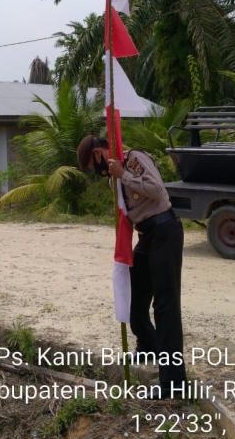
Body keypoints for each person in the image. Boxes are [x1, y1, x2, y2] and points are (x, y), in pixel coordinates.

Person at [77, 135, 187, 397]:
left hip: (164, 231)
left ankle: (173, 383)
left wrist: (123, 174)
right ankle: (148, 345)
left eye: (95, 166)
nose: (99, 171)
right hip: (147, 236)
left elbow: (157, 190)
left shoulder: (134, 159)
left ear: (98, 153)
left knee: (165, 306)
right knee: (134, 298)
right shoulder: (114, 177)